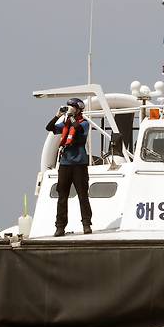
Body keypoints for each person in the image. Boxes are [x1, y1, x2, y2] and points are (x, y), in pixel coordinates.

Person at [45, 98, 92, 237]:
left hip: (79, 164)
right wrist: (57, 116)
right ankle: (60, 227)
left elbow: (77, 130)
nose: (70, 109)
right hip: (65, 164)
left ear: (78, 109)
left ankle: (86, 224)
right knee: (62, 197)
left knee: (83, 195)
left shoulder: (84, 124)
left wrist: (71, 116)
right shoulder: (65, 124)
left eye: (72, 107)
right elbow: (49, 128)